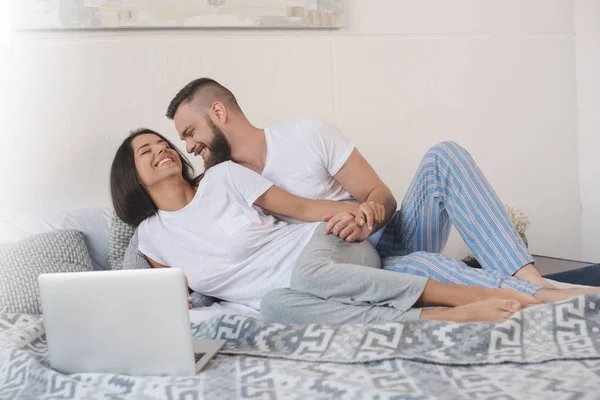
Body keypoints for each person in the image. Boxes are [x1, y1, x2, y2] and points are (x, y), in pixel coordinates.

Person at [110, 129, 598, 324]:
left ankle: (470, 298)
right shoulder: (151, 238)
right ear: (131, 176)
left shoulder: (223, 179)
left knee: (302, 278)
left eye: (164, 141)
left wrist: (357, 213)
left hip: (329, 247)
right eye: (145, 151)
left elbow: (302, 209)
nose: (163, 149)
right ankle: (435, 317)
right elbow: (182, 298)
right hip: (301, 292)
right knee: (279, 305)